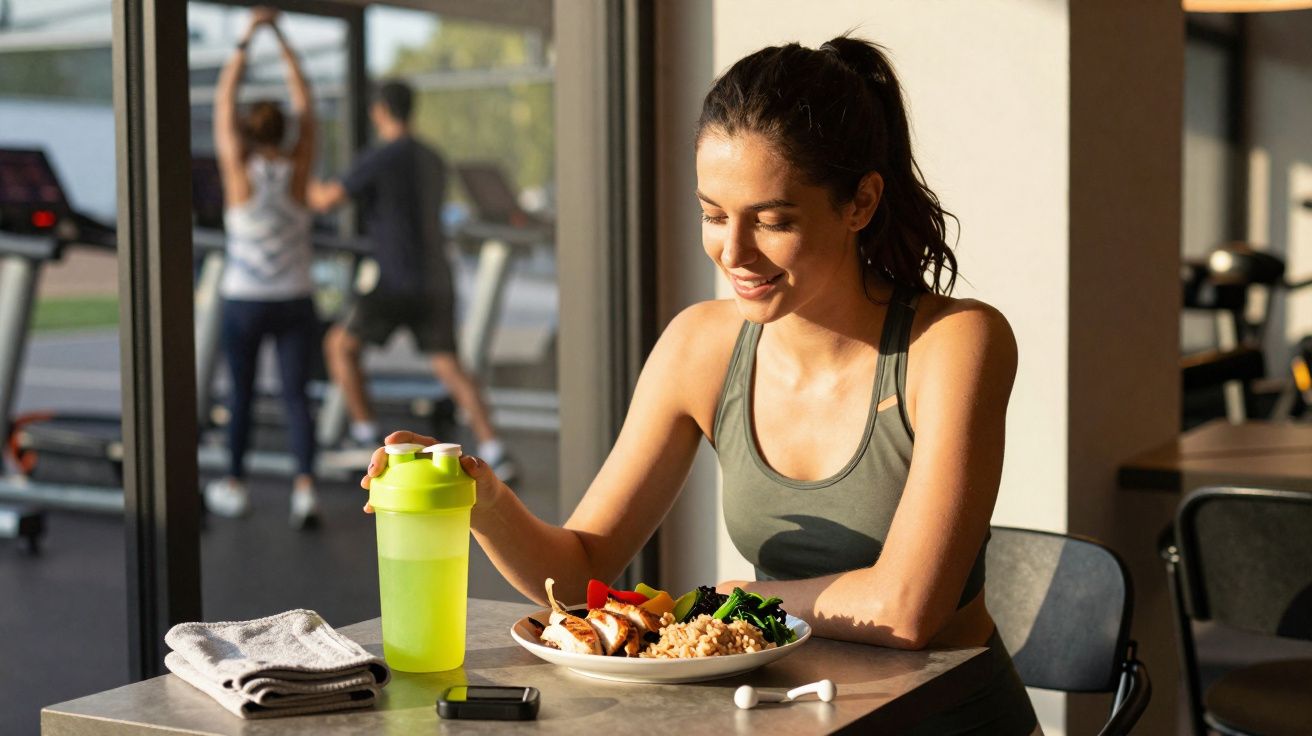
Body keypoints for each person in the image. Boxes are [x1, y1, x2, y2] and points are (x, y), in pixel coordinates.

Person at [364, 36, 1039, 734]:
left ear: (861, 202)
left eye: (773, 220)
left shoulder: (954, 343)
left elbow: (906, 609)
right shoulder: (702, 345)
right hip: (789, 718)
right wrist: (481, 496)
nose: (734, 253)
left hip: (946, 719)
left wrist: (737, 598)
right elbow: (579, 572)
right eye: (714, 215)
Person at [307, 80, 515, 481]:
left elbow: (325, 200)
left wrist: (300, 178)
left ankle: (364, 436)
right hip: (435, 278)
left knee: (338, 346)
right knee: (451, 367)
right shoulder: (432, 158)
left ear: (381, 110)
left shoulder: (381, 157)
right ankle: (495, 448)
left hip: (395, 281)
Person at [205, 7, 321, 529]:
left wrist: (246, 39)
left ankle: (234, 483)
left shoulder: (238, 170)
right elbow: (309, 107)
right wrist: (282, 38)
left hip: (245, 300)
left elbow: (222, 102)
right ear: (284, 131)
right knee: (297, 397)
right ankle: (304, 490)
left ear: (249, 132)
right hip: (294, 298)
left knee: (242, 395)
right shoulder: (298, 170)